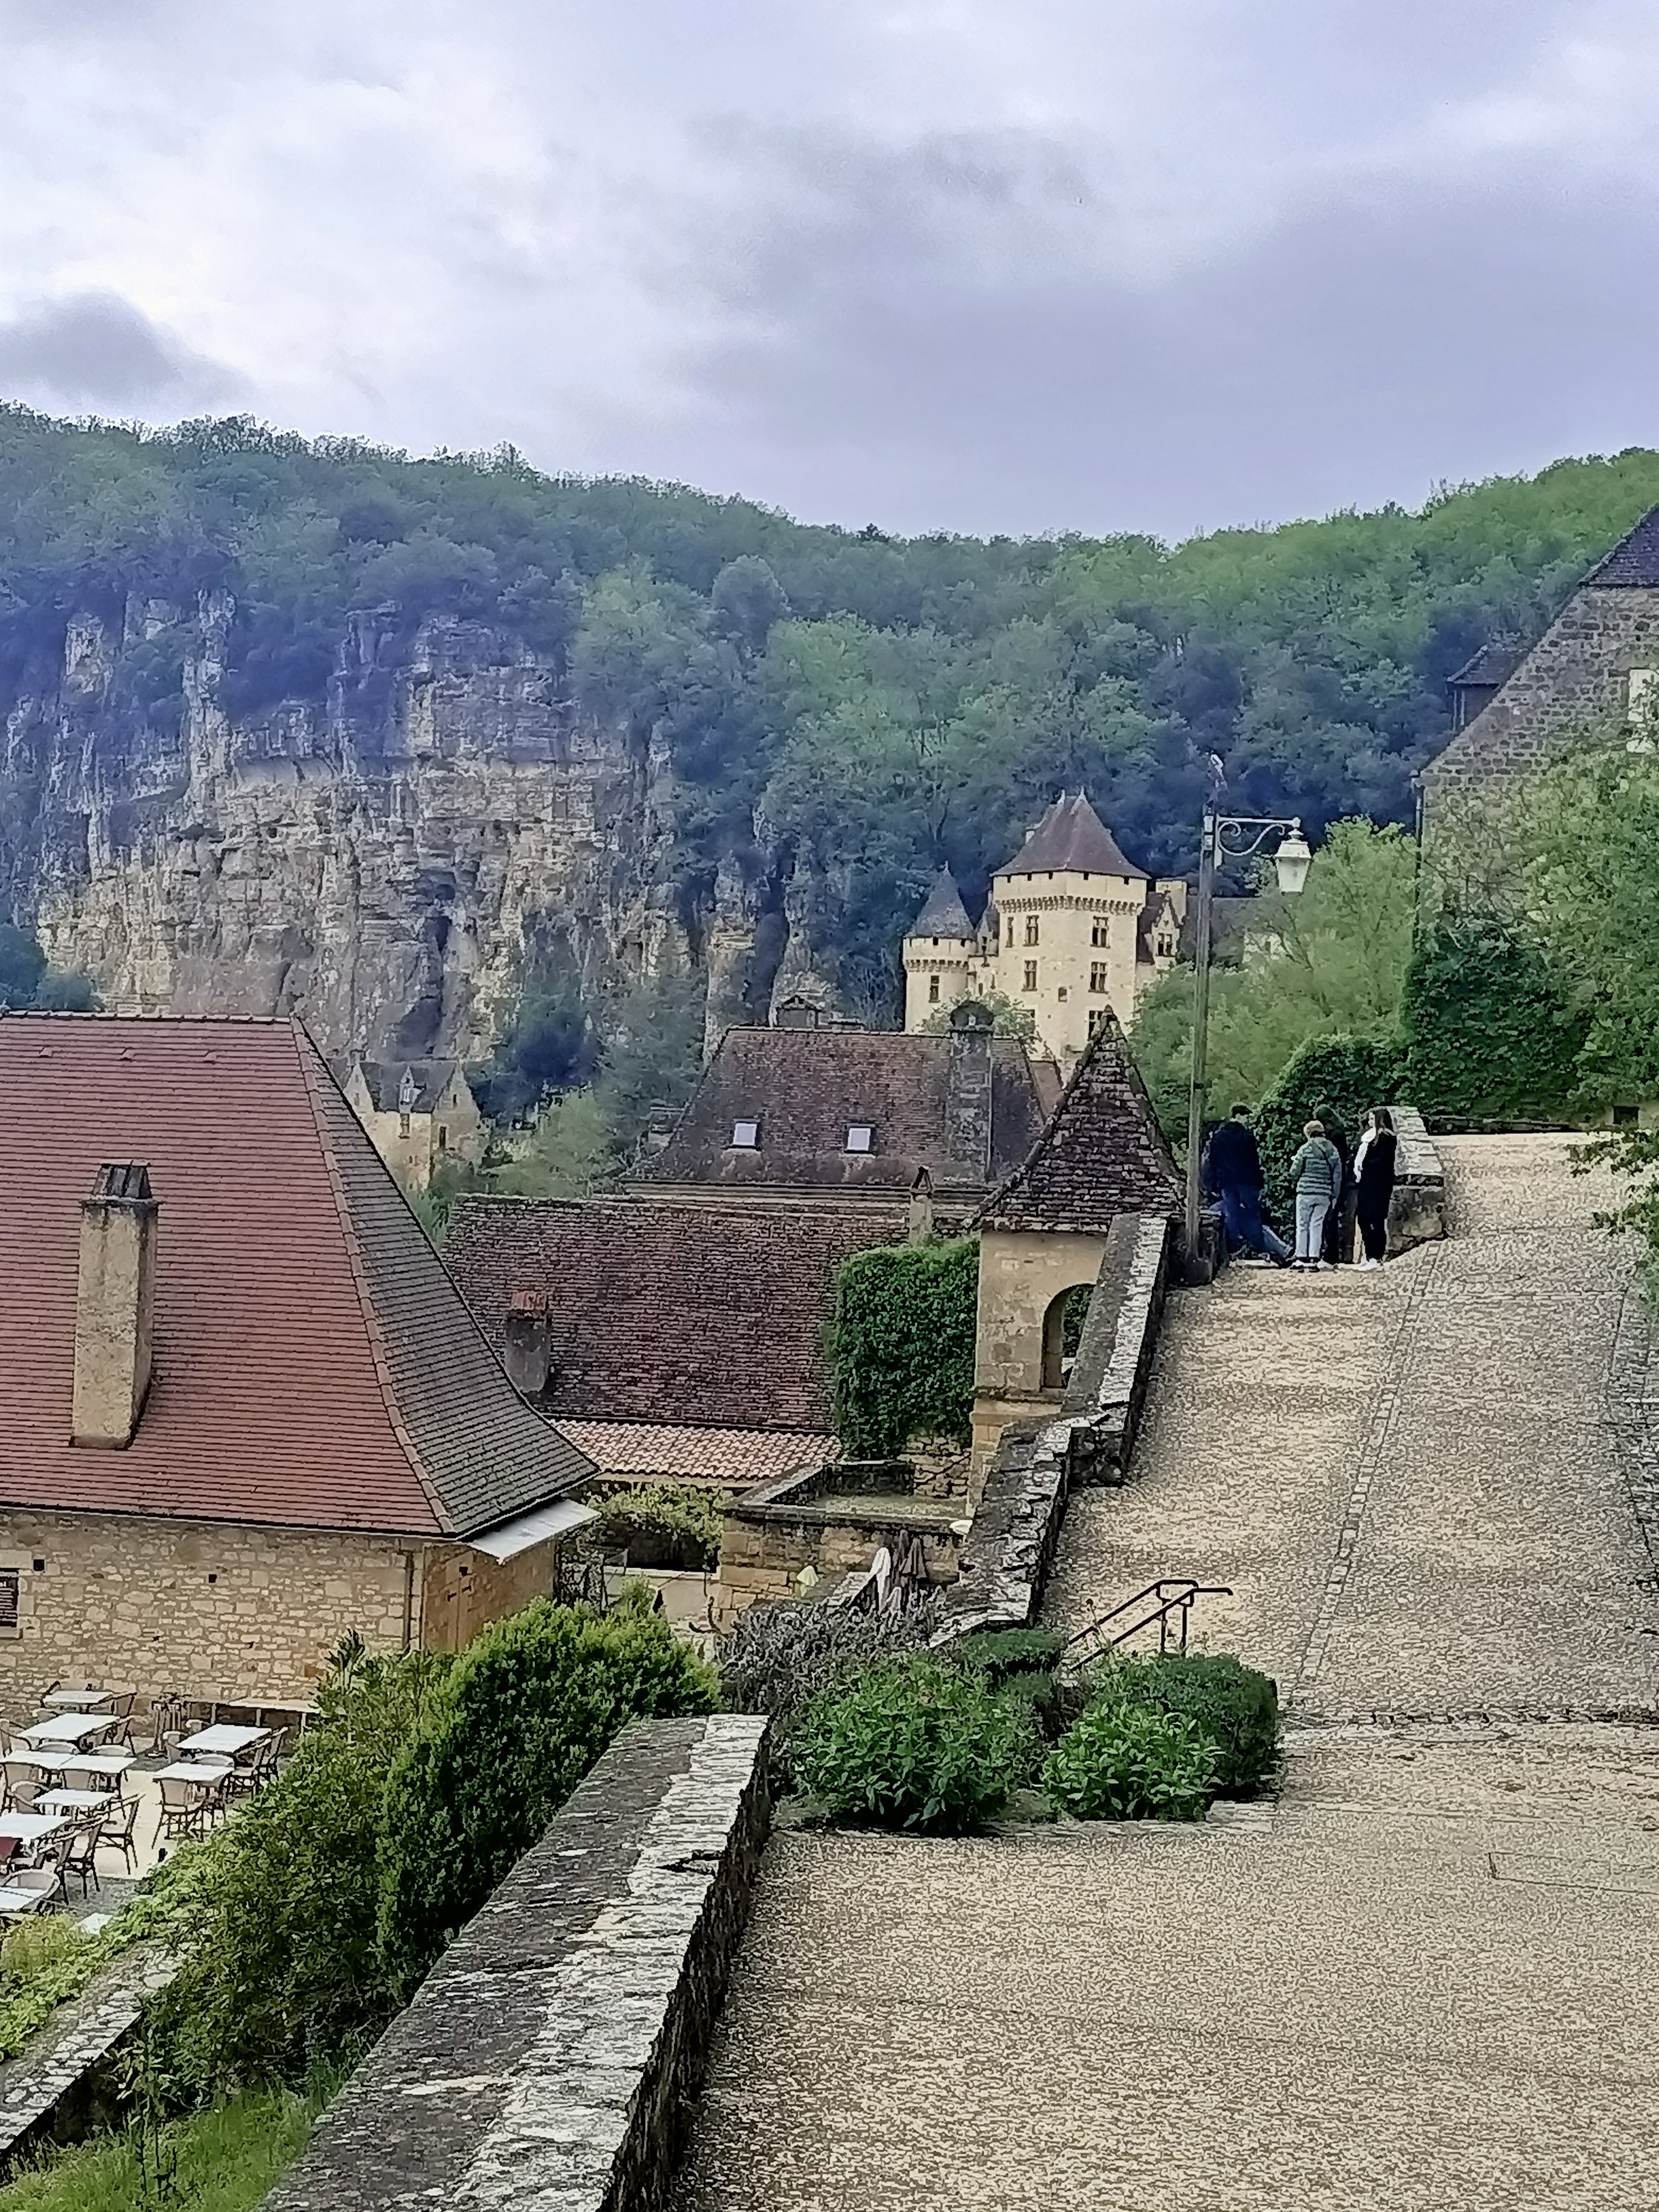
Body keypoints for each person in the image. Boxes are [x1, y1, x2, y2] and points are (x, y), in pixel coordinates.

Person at [1202, 1104, 1291, 1267]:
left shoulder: (1219, 1137)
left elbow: (1213, 1162)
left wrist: (1215, 1184)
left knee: (1232, 1215)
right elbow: (1253, 1161)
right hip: (1247, 1182)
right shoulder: (1247, 1136)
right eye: (1246, 1116)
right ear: (1239, 1116)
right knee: (1253, 1215)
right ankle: (1259, 1249)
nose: (1248, 1120)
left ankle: (1232, 1250)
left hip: (1227, 1182)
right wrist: (1258, 1182)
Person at [1288, 1118, 1342, 1270]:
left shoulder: (1305, 1148)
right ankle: (1314, 1259)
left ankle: (1300, 1258)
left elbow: (1294, 1172)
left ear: (1309, 1133)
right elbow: (1337, 1173)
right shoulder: (1332, 1149)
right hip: (1324, 1193)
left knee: (1302, 1225)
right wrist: (1334, 1194)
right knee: (1317, 1225)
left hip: (1305, 1192)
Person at [1353, 1106, 1399, 1269]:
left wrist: (1365, 1165)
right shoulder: (1370, 1138)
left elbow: (1381, 1161)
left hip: (1378, 1184)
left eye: (1373, 1119)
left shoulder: (1386, 1138)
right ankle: (1369, 1254)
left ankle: (1376, 1256)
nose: (1370, 1122)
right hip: (1367, 1182)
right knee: (1363, 1217)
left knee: (1375, 1219)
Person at [1315, 1101, 1357, 1266]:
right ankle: (1333, 1252)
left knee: (1330, 1217)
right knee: (1332, 1217)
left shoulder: (1333, 1136)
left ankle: (1331, 1254)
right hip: (1341, 1177)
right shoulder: (1338, 1132)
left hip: (1336, 1179)